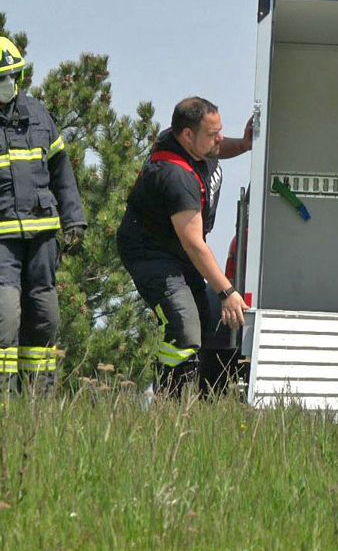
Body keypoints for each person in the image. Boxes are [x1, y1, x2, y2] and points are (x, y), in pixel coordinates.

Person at [117, 96, 251, 397]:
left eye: (221, 131)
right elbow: (194, 243)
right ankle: (168, 402)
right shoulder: (175, 176)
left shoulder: (200, 144)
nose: (219, 139)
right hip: (152, 254)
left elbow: (218, 148)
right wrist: (227, 292)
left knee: (202, 324)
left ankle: (186, 401)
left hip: (179, 252)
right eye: (212, 134)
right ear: (187, 135)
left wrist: (242, 144)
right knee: (183, 326)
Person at [0, 36, 86, 394]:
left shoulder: (37, 115)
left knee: (44, 315)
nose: (6, 84)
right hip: (3, 240)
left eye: (10, 76)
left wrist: (74, 217)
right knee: (5, 317)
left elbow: (62, 172)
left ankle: (39, 404)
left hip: (43, 239)